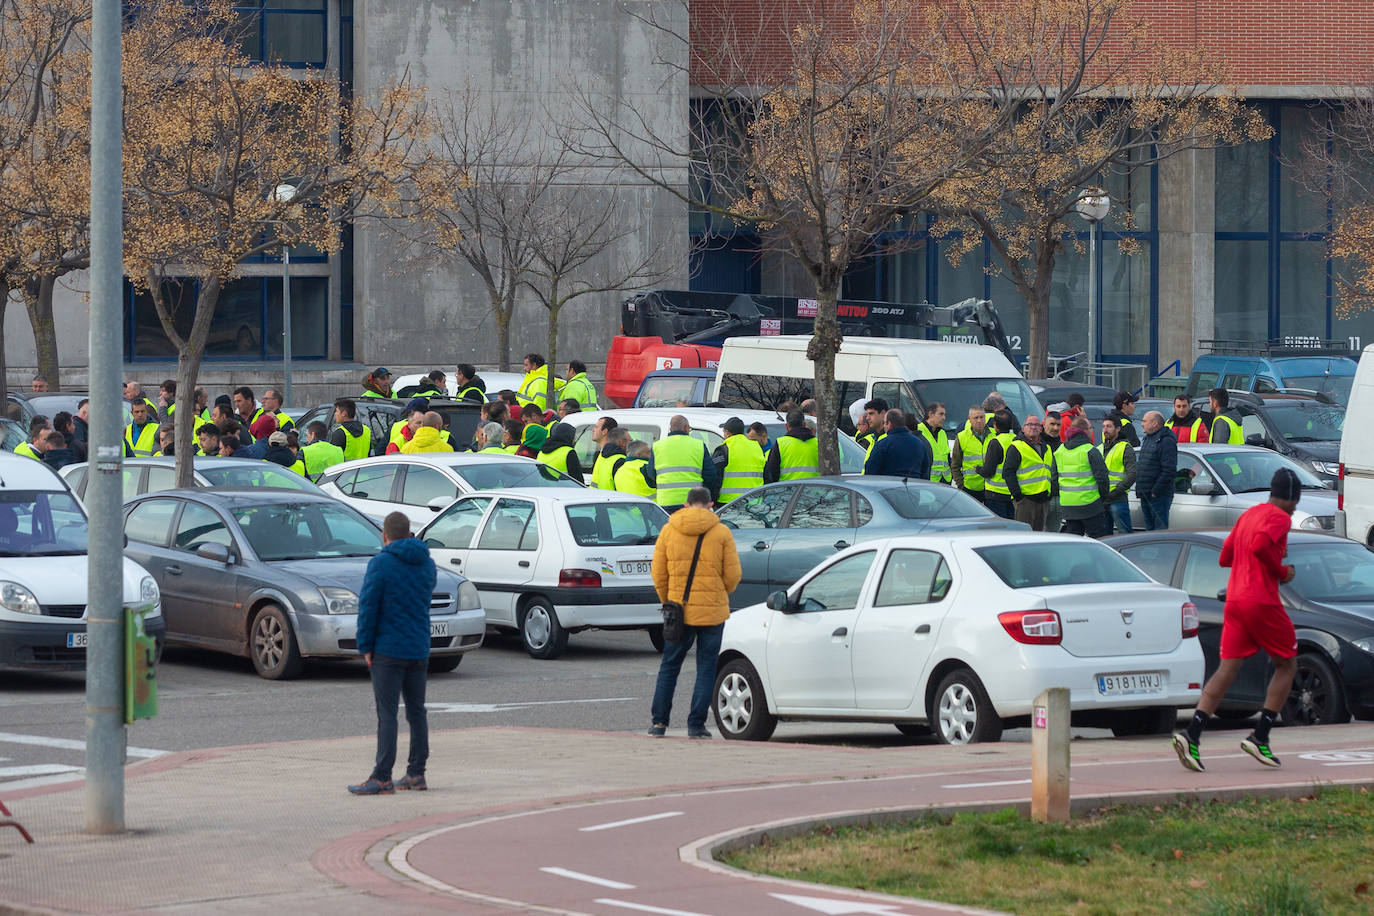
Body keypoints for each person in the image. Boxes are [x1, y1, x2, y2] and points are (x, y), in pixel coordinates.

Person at [1172, 469, 1304, 773]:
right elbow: (1259, 546)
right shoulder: (1279, 517)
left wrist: (1249, 561)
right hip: (1261, 600)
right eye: (1295, 502)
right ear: (1291, 498)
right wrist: (1282, 572)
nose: (1295, 508)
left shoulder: (1250, 514)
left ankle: (1191, 734)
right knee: (1287, 664)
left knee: (1227, 669)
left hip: (1234, 600)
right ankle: (1261, 736)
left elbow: (1225, 557)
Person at [348, 512, 436, 795]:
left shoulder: (381, 563)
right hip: (418, 647)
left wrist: (365, 646)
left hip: (388, 649)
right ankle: (416, 773)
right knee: (416, 712)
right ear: (409, 534)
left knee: (387, 714)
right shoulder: (427, 563)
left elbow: (369, 607)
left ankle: (382, 776)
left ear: (384, 536)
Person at [648, 487, 741, 739]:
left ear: (686, 505)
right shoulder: (722, 532)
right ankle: (696, 725)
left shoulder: (669, 530)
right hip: (712, 612)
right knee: (706, 667)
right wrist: (721, 592)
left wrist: (669, 599)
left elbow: (658, 572)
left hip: (678, 611)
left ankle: (659, 723)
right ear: (711, 504)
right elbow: (733, 576)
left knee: (669, 666)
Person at [645, 415, 716, 512]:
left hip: (666, 501)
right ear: (686, 428)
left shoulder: (657, 446)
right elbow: (710, 475)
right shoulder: (698, 445)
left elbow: (651, 473)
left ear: (670, 429)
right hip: (694, 502)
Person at [1056, 417, 1110, 538]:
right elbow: (1102, 478)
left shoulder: (1059, 451)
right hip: (1090, 504)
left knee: (1074, 540)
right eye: (1091, 428)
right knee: (1099, 538)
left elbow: (1054, 478)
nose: (1092, 431)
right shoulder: (1090, 450)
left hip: (1068, 504)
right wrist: (1103, 497)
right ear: (1084, 431)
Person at [1135, 410, 1178, 530]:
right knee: (1150, 531)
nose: (1142, 424)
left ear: (1154, 423)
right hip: (1146, 493)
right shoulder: (1148, 439)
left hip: (1158, 495)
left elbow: (1169, 470)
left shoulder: (1166, 440)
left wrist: (1155, 491)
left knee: (1159, 531)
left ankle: (1162, 550)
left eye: (1144, 421)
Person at [863, 408, 932, 479]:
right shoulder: (919, 444)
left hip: (888, 487)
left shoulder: (883, 444)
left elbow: (870, 471)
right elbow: (925, 472)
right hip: (913, 488)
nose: (884, 426)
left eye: (884, 423)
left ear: (889, 424)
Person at [713, 416, 765, 503]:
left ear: (727, 432)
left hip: (728, 504)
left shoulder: (724, 449)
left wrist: (713, 500)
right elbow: (767, 475)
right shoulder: (757, 448)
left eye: (724, 432)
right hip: (754, 503)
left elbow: (714, 477)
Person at [978, 409, 1019, 520]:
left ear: (995, 426)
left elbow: (988, 471)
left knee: (997, 529)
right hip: (1013, 492)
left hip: (995, 494)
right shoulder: (1017, 440)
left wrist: (978, 469)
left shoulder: (995, 442)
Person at [1099, 417, 1137, 534]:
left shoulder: (1125, 447)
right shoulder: (1099, 448)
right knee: (1103, 536)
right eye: (1104, 426)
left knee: (1125, 534)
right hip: (1101, 499)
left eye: (1109, 426)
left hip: (1118, 498)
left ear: (1118, 429)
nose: (1105, 430)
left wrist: (1117, 491)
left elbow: (1132, 474)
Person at [764, 409, 818, 483]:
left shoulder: (781, 444)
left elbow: (772, 473)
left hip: (787, 492)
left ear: (786, 426)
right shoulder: (818, 443)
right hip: (816, 491)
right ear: (804, 424)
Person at [951, 406, 990, 501]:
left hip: (991, 488)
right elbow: (955, 465)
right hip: (970, 489)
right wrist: (961, 485)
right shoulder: (961, 437)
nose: (979, 420)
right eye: (976, 418)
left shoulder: (994, 435)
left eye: (982, 417)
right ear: (969, 420)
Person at [917, 403, 951, 484]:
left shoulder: (942, 433)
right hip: (928, 482)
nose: (944, 418)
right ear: (931, 414)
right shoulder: (918, 431)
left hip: (945, 481)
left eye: (944, 415)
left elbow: (948, 458)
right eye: (941, 414)